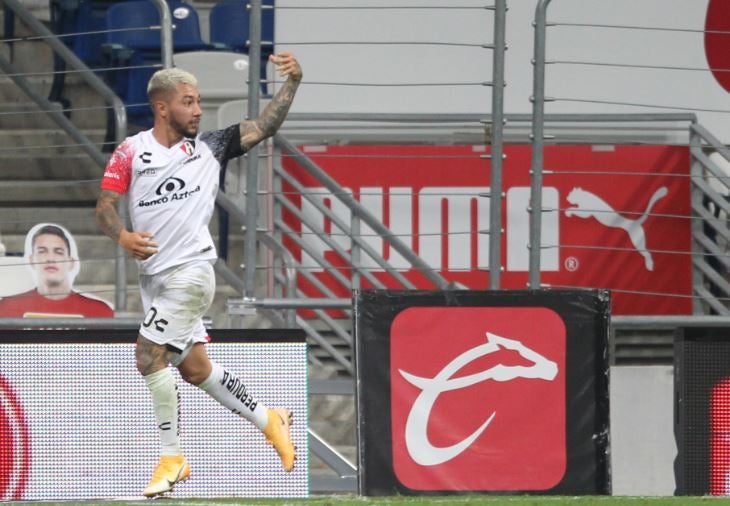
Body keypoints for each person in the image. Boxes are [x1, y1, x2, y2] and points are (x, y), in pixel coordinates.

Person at [95, 52, 302, 497]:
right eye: (188, 102)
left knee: (149, 357)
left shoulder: (211, 146)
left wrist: (293, 83)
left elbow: (264, 126)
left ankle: (172, 457)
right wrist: (123, 237)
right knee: (193, 368)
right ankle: (270, 419)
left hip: (190, 274)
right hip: (154, 280)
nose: (198, 109)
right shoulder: (131, 150)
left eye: (199, 101)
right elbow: (105, 206)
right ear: (163, 107)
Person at [0, 223, 113, 318]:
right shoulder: (6, 308)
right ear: (31, 260)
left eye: (58, 252)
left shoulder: (100, 312)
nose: (50, 258)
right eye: (42, 251)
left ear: (71, 262)